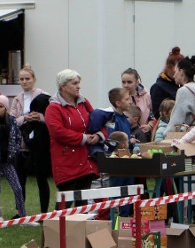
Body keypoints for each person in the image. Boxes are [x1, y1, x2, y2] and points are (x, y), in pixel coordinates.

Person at [46, 69, 100, 207]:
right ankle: (56, 228)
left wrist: (98, 135)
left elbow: (96, 121)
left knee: (83, 201)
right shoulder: (53, 108)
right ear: (63, 86)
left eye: (79, 83)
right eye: (74, 83)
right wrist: (83, 138)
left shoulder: (84, 102)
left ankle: (80, 228)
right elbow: (58, 132)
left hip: (85, 159)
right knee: (65, 201)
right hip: (66, 161)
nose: (78, 86)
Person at [10, 65, 49, 213]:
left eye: (27, 79)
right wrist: (25, 117)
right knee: (19, 180)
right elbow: (12, 120)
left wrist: (39, 117)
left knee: (41, 179)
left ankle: (44, 212)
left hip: (39, 143)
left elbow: (51, 118)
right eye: (21, 79)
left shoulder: (44, 96)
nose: (24, 82)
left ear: (34, 79)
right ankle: (20, 211)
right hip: (21, 143)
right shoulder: (17, 99)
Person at [18, 93, 52, 214]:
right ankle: (43, 212)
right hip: (39, 155)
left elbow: (33, 141)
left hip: (42, 156)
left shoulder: (45, 123)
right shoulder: (38, 121)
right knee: (41, 183)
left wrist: (26, 136)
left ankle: (44, 212)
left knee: (42, 183)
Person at [88, 87, 133, 156]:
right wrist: (129, 142)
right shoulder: (112, 120)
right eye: (127, 99)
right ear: (118, 103)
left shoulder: (125, 119)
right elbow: (113, 141)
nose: (130, 102)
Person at [169, 55, 195, 128]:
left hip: (189, 133)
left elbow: (176, 119)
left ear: (181, 71)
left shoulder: (183, 91)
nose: (174, 76)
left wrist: (166, 134)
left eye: (175, 72)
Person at [149, 47, 184, 118]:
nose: (182, 72)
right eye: (178, 68)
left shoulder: (181, 85)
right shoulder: (157, 87)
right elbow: (157, 114)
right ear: (168, 67)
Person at [121, 68, 153, 135]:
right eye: (123, 82)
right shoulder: (120, 98)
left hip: (145, 134)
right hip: (126, 135)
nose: (126, 85)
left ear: (137, 82)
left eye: (129, 82)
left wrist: (150, 125)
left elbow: (155, 114)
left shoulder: (147, 96)